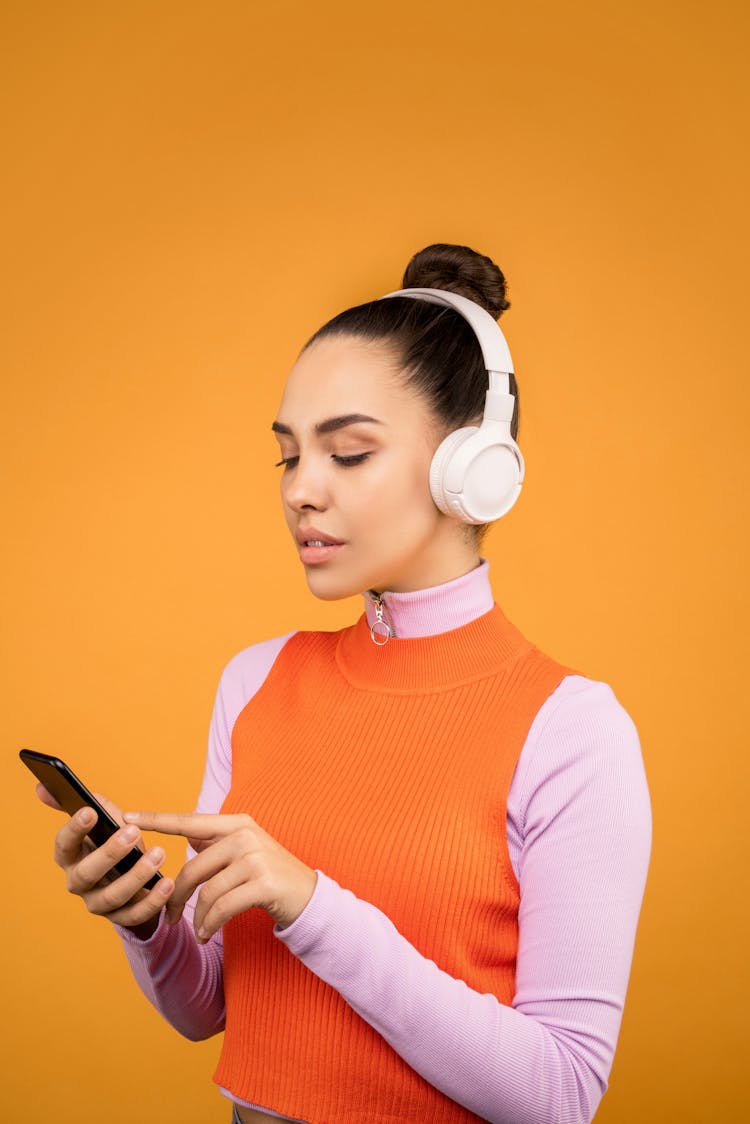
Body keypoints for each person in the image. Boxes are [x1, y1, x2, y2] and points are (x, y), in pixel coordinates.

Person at [39, 243, 652, 1124]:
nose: (302, 492)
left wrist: (315, 905)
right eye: (289, 457)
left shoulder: (571, 729)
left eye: (350, 453)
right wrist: (146, 922)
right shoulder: (256, 681)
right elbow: (210, 1007)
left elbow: (559, 1097)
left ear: (471, 468)